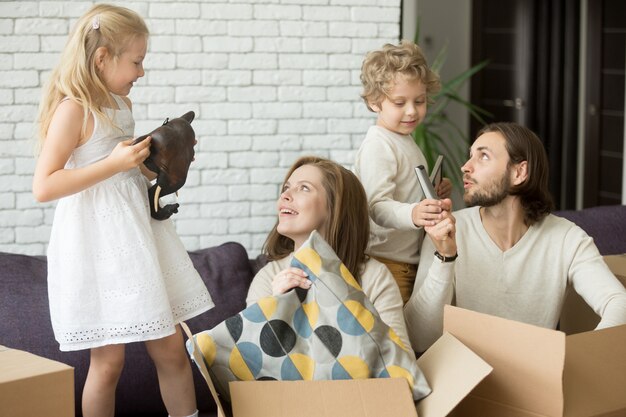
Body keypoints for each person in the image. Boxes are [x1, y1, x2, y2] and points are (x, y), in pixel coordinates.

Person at [32, 5, 212, 417]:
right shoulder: (74, 108)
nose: (141, 72)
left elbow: (123, 174)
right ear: (102, 58)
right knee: (108, 362)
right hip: (98, 245)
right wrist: (115, 163)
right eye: (136, 61)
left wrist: (157, 163)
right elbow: (45, 185)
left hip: (137, 238)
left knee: (170, 348)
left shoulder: (120, 104)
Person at [404, 122, 626, 352]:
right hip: (464, 376)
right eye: (470, 156)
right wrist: (445, 257)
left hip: (533, 379)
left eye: (484, 157)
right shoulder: (448, 231)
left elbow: (618, 302)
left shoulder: (567, 239)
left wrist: (576, 358)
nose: (465, 167)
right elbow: (420, 338)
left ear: (519, 172)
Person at [246, 156, 413, 352]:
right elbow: (250, 365)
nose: (285, 195)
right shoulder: (269, 277)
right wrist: (276, 308)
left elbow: (403, 361)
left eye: (304, 188)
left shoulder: (374, 277)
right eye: (286, 188)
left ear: (335, 207)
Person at [355, 40, 453, 304]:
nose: (412, 111)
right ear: (375, 103)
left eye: (419, 101)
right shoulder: (379, 144)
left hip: (405, 261)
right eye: (400, 103)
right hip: (385, 263)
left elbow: (407, 188)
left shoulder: (404, 139)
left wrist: (432, 191)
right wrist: (414, 213)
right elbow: (377, 206)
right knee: (391, 339)